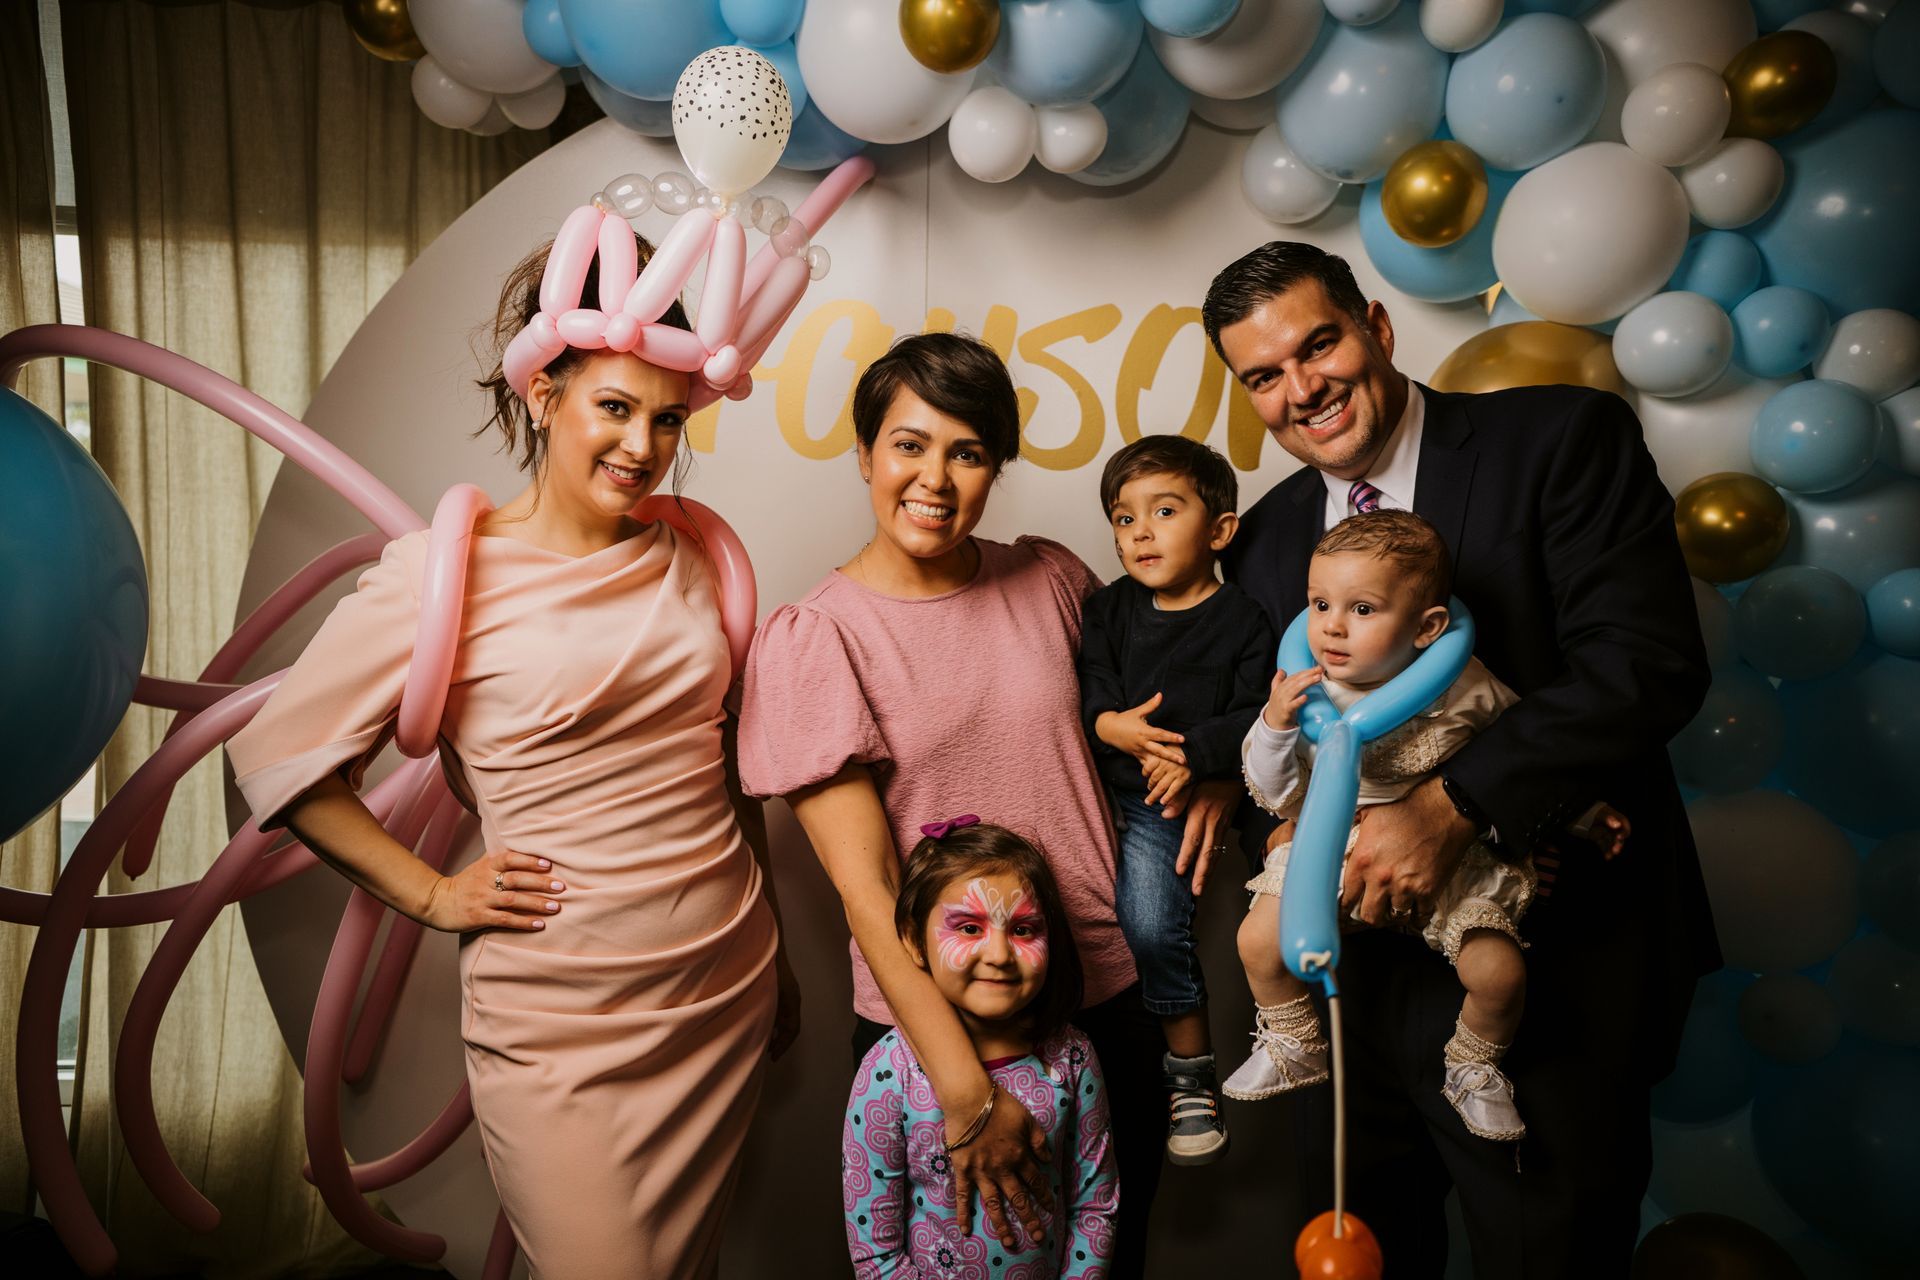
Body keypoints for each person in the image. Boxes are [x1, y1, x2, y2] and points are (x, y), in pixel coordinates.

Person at [226, 224, 800, 1278]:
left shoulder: (698, 558)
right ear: (545, 395)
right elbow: (285, 756)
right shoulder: (438, 575)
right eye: (614, 407)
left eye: (667, 420)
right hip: (560, 1018)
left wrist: (776, 945)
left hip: (719, 980)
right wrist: (436, 896)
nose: (642, 444)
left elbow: (721, 764)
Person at [1202, 241, 1717, 1277]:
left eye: (1320, 345)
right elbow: (1297, 735)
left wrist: (1455, 805)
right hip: (1348, 980)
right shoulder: (1264, 542)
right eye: (1264, 376)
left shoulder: (1563, 438)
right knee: (1358, 1253)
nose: (1302, 389)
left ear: (1377, 328)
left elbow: (1646, 663)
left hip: (1542, 963)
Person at [739, 332, 1218, 1280]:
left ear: (996, 466)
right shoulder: (817, 637)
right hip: (940, 1032)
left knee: (1104, 1264)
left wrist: (1216, 774)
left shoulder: (1051, 579)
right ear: (866, 453)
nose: (935, 477)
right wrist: (964, 1092)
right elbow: (869, 890)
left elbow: (1149, 723)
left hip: (1104, 998)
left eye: (967, 452)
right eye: (909, 444)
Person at [1227, 511, 1630, 1145]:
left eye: (1362, 610)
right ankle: (1293, 1039)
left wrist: (1584, 813)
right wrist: (1276, 726)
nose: (1331, 625)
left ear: (1428, 628)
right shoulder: (1305, 691)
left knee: (1500, 976)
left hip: (1453, 855)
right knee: (1256, 941)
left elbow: (1528, 755)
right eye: (1320, 603)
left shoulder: (1468, 688)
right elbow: (1273, 792)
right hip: (1334, 840)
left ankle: (1473, 1065)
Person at [1076, 435, 1274, 1166]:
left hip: (1165, 810)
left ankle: (1190, 1074)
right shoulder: (1108, 610)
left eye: (1164, 510)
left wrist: (1193, 755)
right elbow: (1091, 688)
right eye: (1124, 519)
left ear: (1220, 529)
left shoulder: (1245, 620)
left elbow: (1261, 715)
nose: (1142, 532)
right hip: (1091, 790)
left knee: (1153, 925)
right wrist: (1109, 725)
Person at [844, 821, 1118, 1278]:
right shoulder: (889, 1071)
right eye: (969, 928)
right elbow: (876, 1253)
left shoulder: (1071, 1057)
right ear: (913, 940)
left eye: (1024, 929)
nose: (999, 955)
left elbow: (1095, 1208)